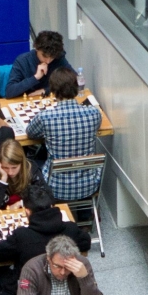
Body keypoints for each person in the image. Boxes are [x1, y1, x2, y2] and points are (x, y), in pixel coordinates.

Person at [26, 67, 102, 199]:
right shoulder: (94, 113)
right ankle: (85, 212)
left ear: (53, 91)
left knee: (30, 160)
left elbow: (30, 133)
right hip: (89, 185)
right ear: (77, 87)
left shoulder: (45, 117)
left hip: (54, 186)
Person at [15, 234, 103, 295]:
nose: (63, 272)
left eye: (68, 267)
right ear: (49, 258)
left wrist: (84, 278)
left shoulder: (81, 265)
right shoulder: (31, 269)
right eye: (57, 266)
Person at [0, 31, 72, 100]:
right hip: (25, 103)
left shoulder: (58, 58)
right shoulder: (23, 61)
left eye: (52, 57)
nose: (48, 61)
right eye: (44, 56)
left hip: (49, 102)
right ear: (36, 48)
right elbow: (9, 92)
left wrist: (46, 90)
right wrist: (35, 77)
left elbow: (75, 80)